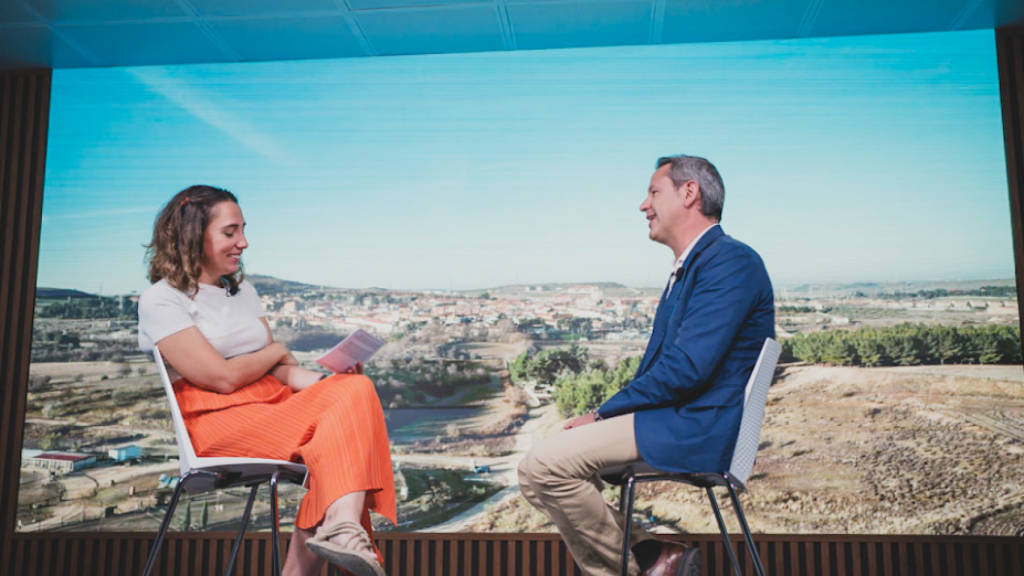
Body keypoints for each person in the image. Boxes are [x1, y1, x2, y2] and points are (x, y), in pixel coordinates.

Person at [517, 155, 775, 576]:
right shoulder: (691, 268)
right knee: (532, 473)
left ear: (689, 193)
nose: (644, 205)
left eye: (654, 192)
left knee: (546, 466)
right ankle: (652, 557)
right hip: (677, 417)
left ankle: (641, 565)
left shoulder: (730, 262)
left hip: (697, 424)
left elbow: (687, 368)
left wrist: (602, 414)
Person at [138, 185, 395, 576]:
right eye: (230, 232)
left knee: (356, 389)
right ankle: (336, 531)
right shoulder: (161, 299)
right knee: (340, 426)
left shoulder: (245, 293)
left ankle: (339, 527)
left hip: (272, 405)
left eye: (242, 230)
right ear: (193, 234)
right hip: (215, 418)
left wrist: (332, 383)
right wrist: (276, 350)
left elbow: (279, 373)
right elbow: (221, 378)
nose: (243, 242)